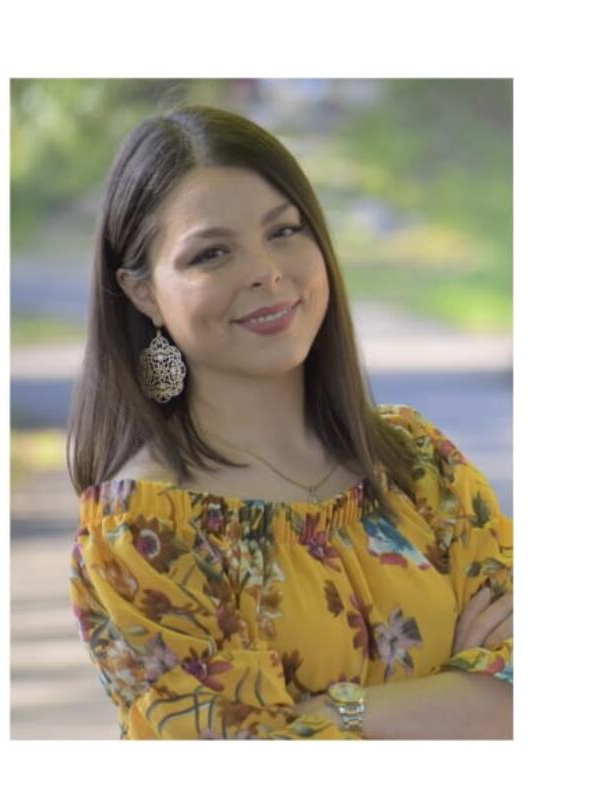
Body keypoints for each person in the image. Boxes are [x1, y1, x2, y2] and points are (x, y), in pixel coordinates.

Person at [67, 105, 512, 739]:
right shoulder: (141, 535)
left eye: (284, 231)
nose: (266, 272)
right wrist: (466, 691)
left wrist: (332, 714)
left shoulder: (418, 462)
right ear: (143, 293)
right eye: (211, 253)